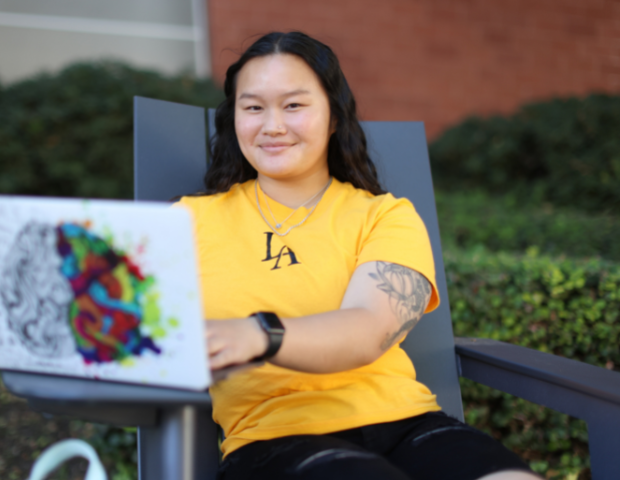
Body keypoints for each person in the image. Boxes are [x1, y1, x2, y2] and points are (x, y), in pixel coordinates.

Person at [177, 31, 539, 480]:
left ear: (332, 116)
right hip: (274, 440)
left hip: (409, 424)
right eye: (253, 107)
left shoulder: (384, 216)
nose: (271, 125)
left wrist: (259, 334)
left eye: (293, 106)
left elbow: (369, 327)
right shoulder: (185, 223)